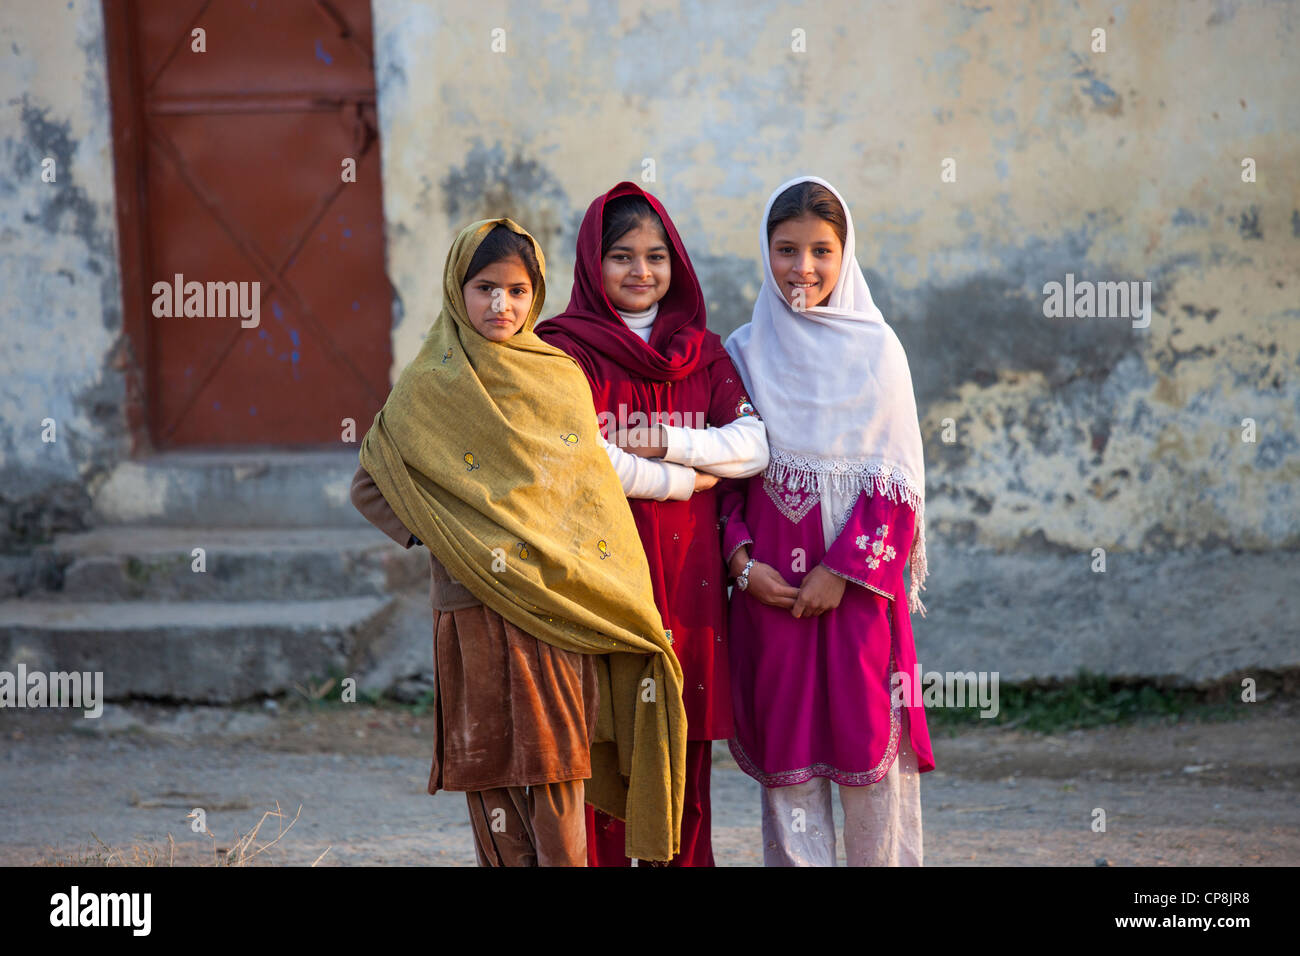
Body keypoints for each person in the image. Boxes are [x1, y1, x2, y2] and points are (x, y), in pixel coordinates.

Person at [351, 218, 686, 866]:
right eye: (484, 288)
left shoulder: (557, 378)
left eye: (517, 290)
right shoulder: (428, 383)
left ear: (535, 295)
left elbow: (583, 497)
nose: (500, 305)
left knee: (557, 766)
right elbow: (372, 484)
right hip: (469, 609)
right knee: (487, 770)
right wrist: (451, 534)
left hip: (549, 611)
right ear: (457, 289)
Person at [538, 183, 769, 866]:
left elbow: (753, 445)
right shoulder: (563, 352)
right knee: (607, 753)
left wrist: (664, 440)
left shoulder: (702, 351)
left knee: (686, 765)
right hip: (606, 586)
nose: (641, 273)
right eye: (621, 257)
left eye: (656, 257)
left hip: (691, 590)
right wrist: (689, 478)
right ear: (591, 264)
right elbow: (584, 461)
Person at [720, 176, 935, 867]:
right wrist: (740, 564)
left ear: (846, 255)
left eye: (820, 250)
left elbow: (897, 483)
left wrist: (842, 574)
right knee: (791, 768)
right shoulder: (743, 354)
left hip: (858, 601)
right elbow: (723, 479)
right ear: (765, 251)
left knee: (871, 760)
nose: (802, 268)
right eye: (786, 249)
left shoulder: (879, 353)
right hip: (771, 600)